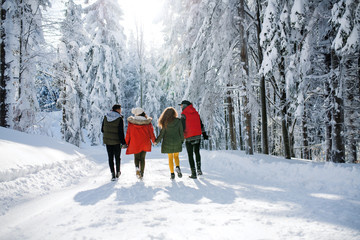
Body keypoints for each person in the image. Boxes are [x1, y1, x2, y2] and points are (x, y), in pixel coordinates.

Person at [179, 100, 208, 179]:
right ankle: (199, 170)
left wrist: (181, 139)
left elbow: (182, 127)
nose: (181, 107)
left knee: (190, 155)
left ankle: (193, 173)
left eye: (181, 105)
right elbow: (201, 124)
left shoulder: (183, 114)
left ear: (184, 106)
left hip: (189, 137)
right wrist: (204, 134)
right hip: (198, 136)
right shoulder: (196, 113)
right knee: (197, 152)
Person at [125, 107, 156, 179]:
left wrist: (126, 143)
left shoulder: (132, 123)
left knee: (136, 158)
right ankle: (142, 174)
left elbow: (128, 134)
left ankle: (137, 168)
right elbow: (151, 132)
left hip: (135, 142)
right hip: (145, 142)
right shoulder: (147, 122)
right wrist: (154, 140)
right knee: (142, 158)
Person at [155, 107, 184, 180]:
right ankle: (177, 167)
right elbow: (181, 132)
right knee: (176, 156)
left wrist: (156, 141)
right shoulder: (179, 121)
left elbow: (162, 134)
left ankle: (172, 174)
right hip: (177, 141)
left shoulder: (165, 123)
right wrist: (182, 140)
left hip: (168, 143)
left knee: (170, 158)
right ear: (174, 113)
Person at [101, 104, 126, 181]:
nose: (121, 111)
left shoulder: (106, 117)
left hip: (108, 142)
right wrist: (123, 143)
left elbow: (102, 129)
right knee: (117, 157)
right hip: (116, 142)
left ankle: (112, 174)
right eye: (120, 109)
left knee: (110, 158)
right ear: (117, 110)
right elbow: (120, 132)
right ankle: (118, 172)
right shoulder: (119, 118)